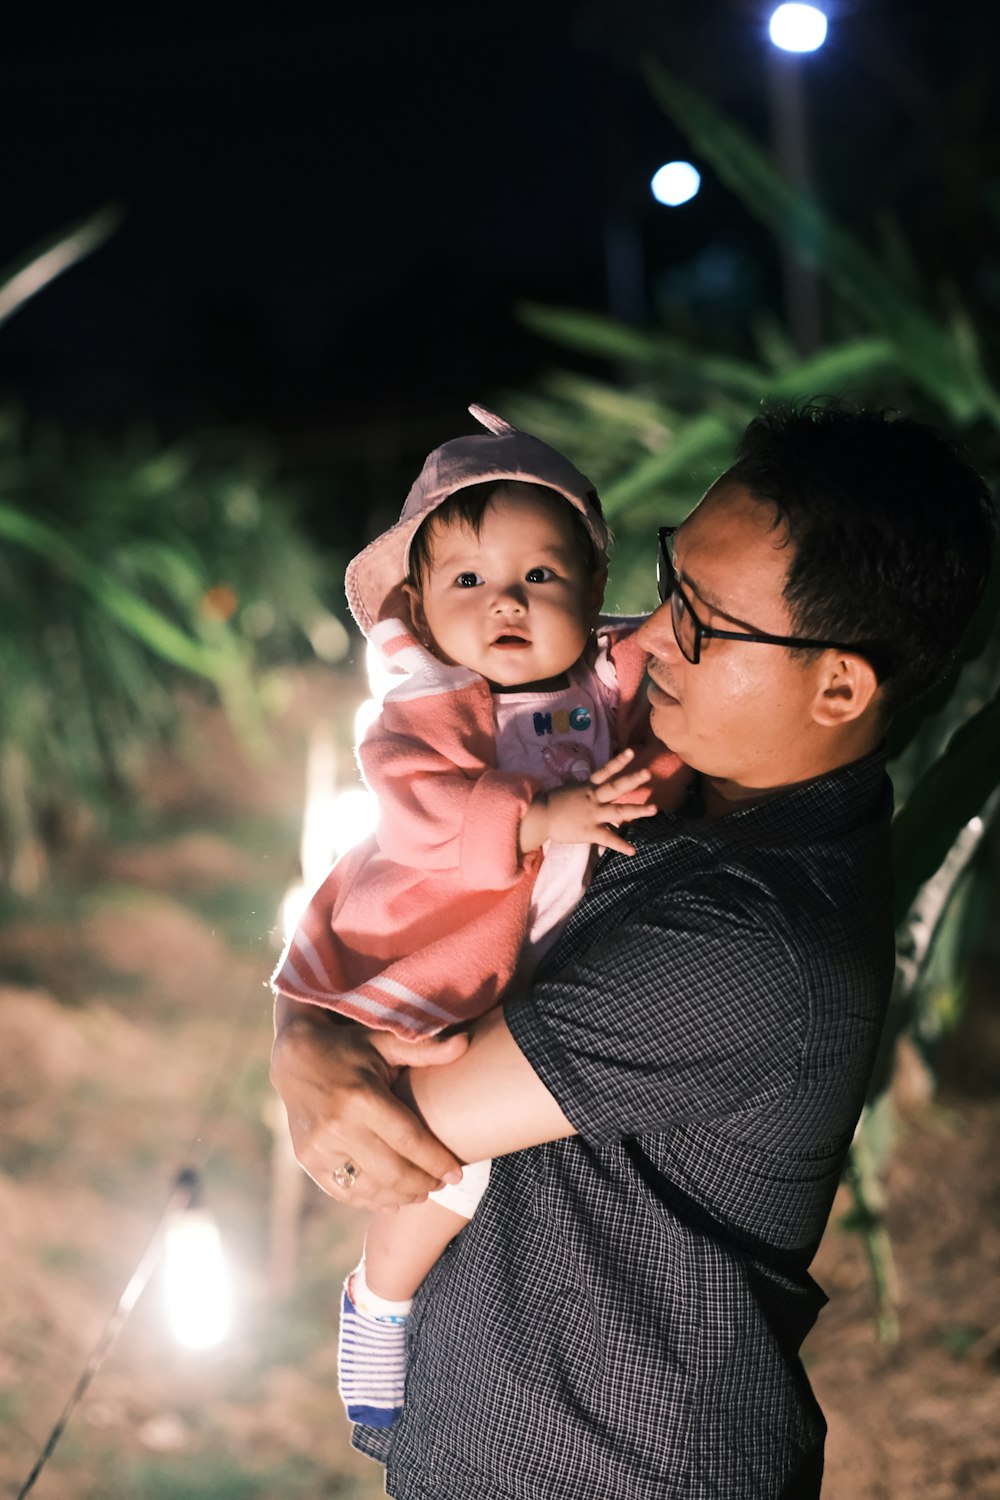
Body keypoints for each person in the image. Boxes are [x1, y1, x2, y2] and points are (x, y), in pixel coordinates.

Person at [270, 402, 995, 1499]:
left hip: (612, 1465)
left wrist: (313, 1044)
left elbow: (385, 1132)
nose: (646, 638)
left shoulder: (755, 942)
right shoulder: (663, 775)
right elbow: (403, 866)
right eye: (666, 586)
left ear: (839, 686)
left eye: (699, 623)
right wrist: (300, 1020)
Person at [271, 405, 689, 1427]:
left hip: (539, 960)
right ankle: (381, 1298)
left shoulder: (608, 677)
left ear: (593, 592)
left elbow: (680, 660)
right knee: (446, 1161)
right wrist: (540, 812)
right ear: (418, 602)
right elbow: (415, 812)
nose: (504, 603)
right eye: (467, 582)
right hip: (434, 942)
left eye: (540, 578)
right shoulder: (433, 703)